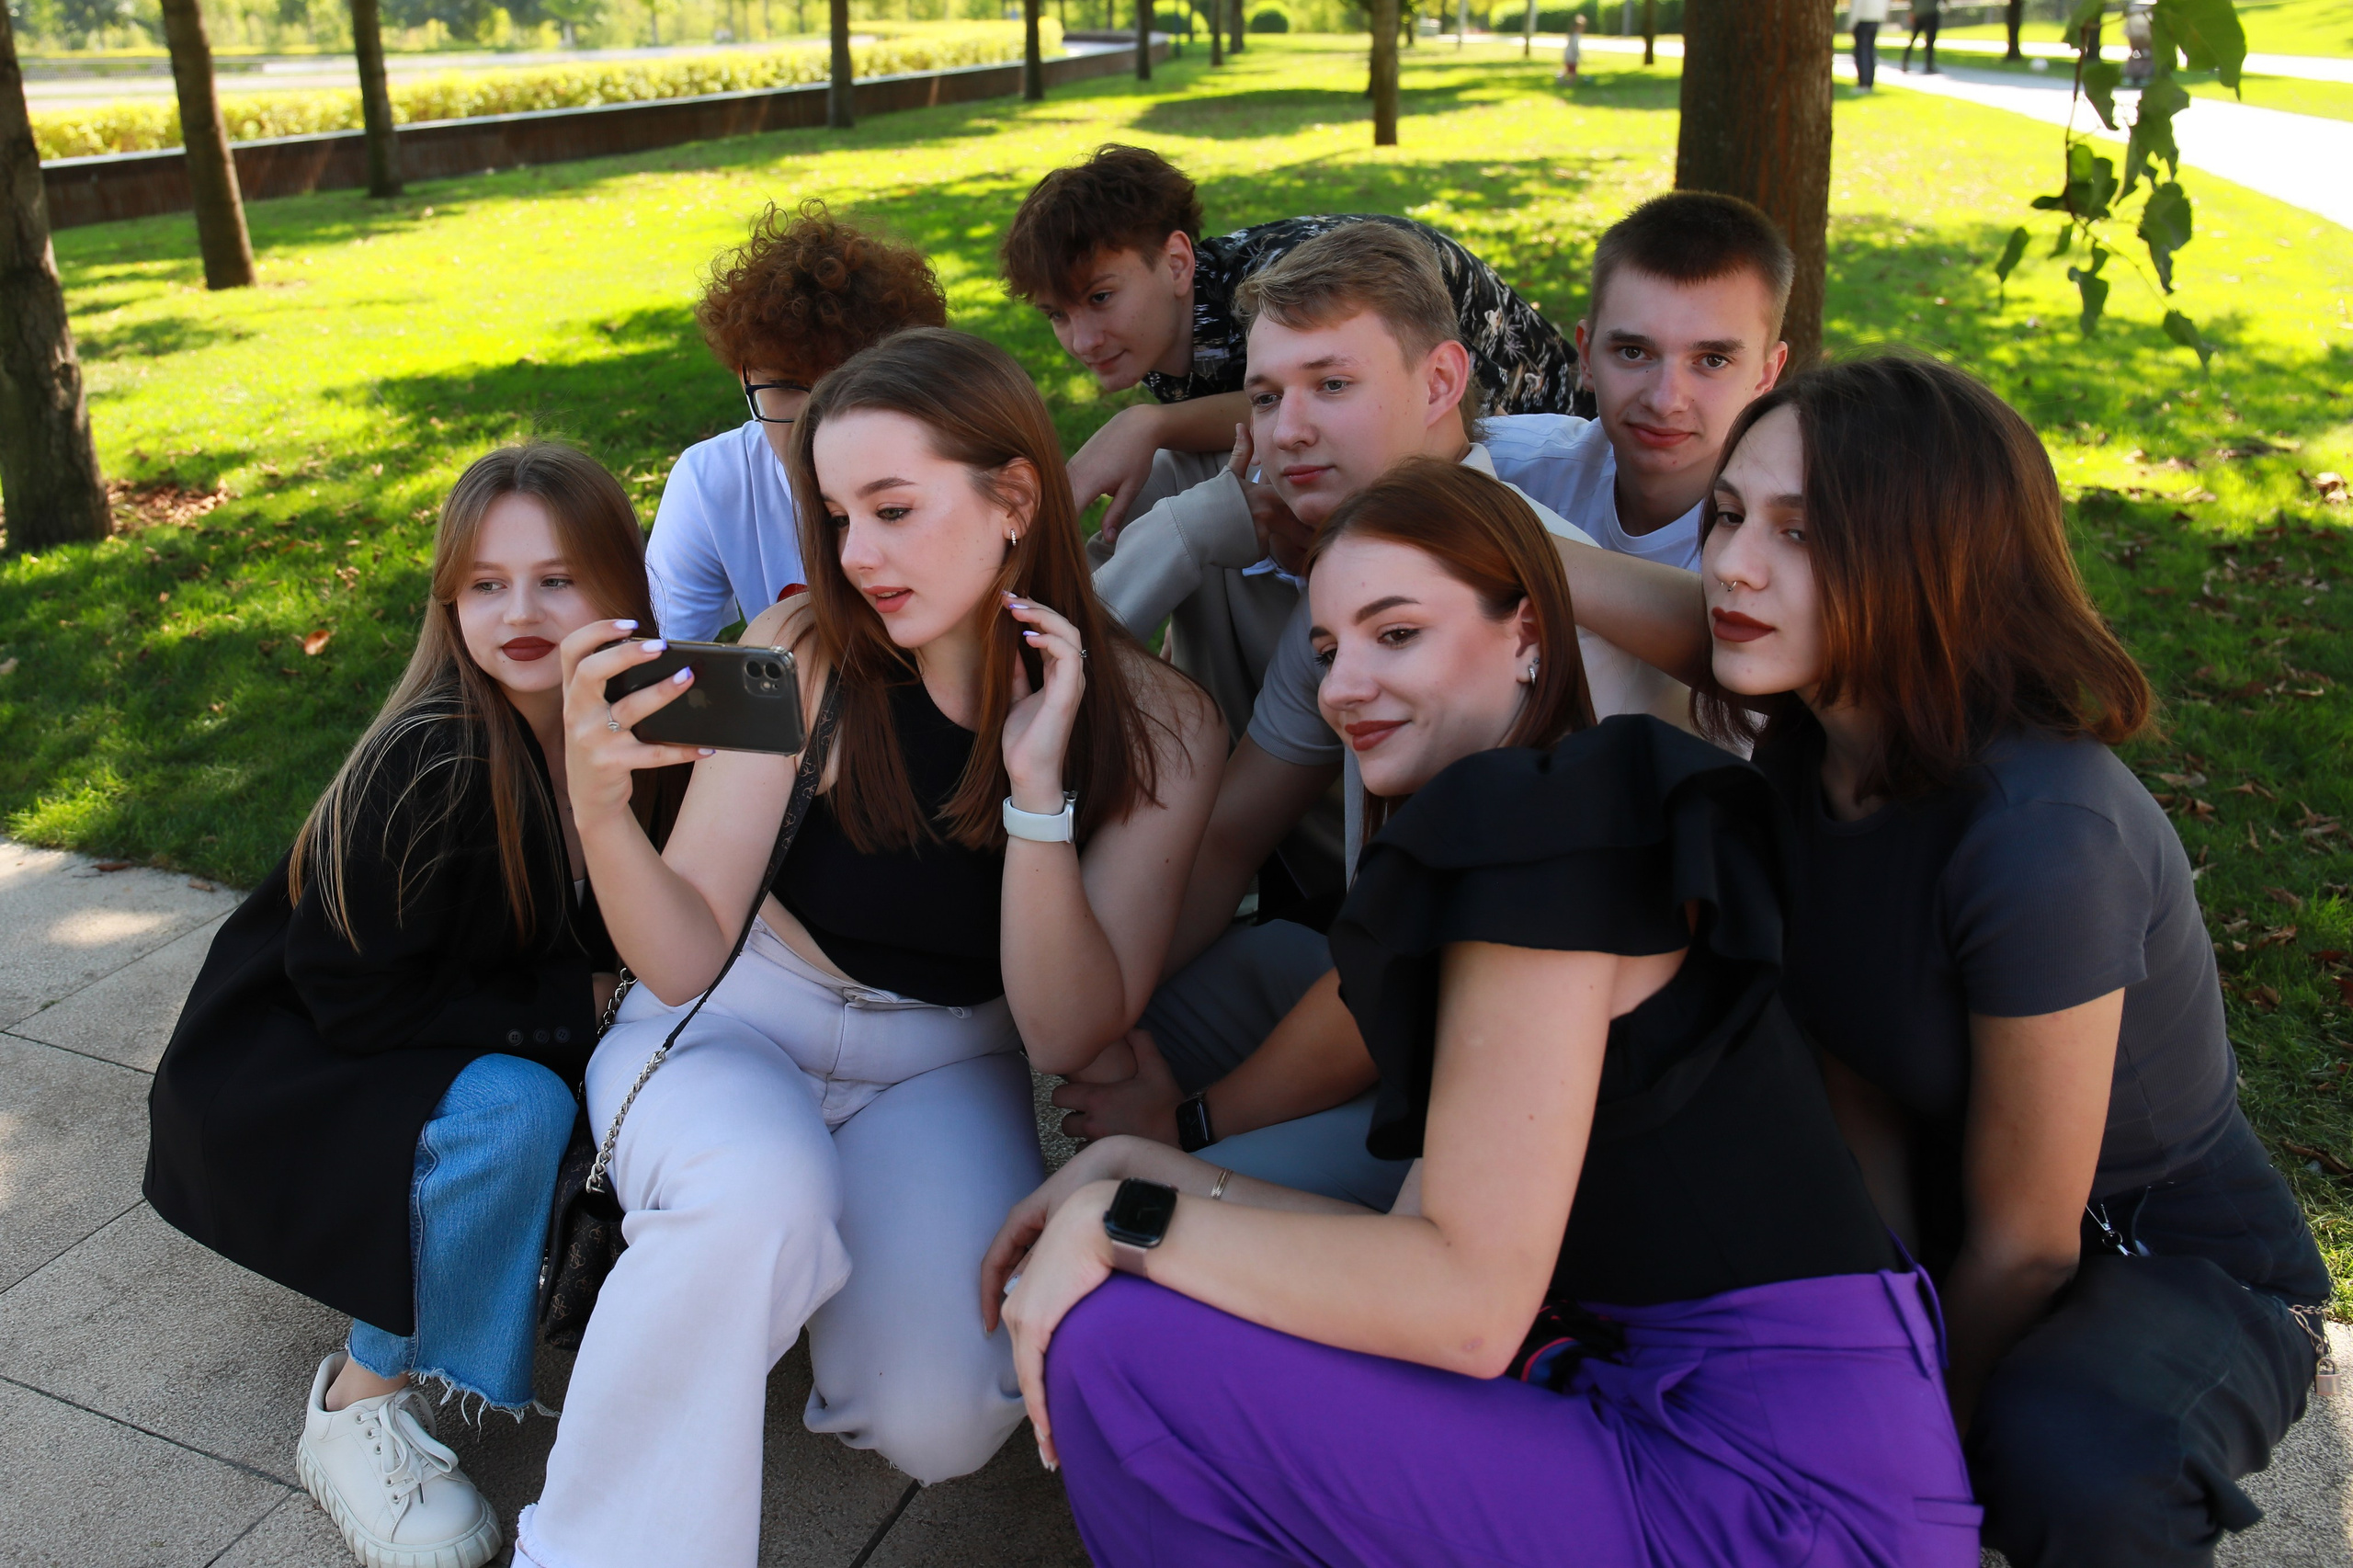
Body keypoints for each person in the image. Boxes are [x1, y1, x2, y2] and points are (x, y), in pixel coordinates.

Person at [981, 456, 1981, 1568]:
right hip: (1711, 1432)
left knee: (1117, 1341)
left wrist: (1128, 1226)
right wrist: (1144, 1173)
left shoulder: (1539, 828)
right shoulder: (1542, 822)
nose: (1343, 686)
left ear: (1525, 636)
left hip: (1770, 1492)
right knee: (1154, 1303)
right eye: (1326, 650)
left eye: (1395, 634)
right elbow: (1424, 1238)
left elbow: (1464, 1305)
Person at [1581, 352, 2332, 1567]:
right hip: (1955, 1206)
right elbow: (1862, 1093)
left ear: (1928, 556)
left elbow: (2030, 1242)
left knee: (2062, 1457)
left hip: (2173, 1261)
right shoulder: (1814, 750)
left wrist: (1924, 1449)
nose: (1733, 565)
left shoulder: (2042, 833)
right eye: (1726, 517)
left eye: (1801, 531)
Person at [516, 328, 1223, 1568]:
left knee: (940, 1415)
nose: (857, 557)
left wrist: (1037, 792)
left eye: (893, 509)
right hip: (738, 1019)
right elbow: (681, 957)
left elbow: (1066, 1032)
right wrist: (598, 808)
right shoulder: (798, 647)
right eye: (838, 514)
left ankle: (768, 1269)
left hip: (947, 1059)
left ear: (1014, 498)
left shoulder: (1160, 721)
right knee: (757, 1196)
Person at [1050, 222, 1685, 1207]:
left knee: (1140, 1208)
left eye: (1330, 385)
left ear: (1439, 384)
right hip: (1406, 1007)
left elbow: (1397, 975)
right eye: (1264, 396)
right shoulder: (1355, 583)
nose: (1285, 430)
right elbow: (1225, 840)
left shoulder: (1486, 610)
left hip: (1558, 1105)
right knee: (1135, 1026)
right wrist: (1090, 1014)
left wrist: (1189, 1120)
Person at [145, 443, 679, 1568]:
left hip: (430, 1012)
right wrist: (572, 1004)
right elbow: (351, 993)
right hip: (310, 1058)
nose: (519, 610)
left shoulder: (641, 727)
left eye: (557, 578)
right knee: (517, 1108)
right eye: (485, 583)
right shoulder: (429, 758)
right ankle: (357, 1400)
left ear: (624, 588)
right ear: (451, 601)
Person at [647, 201, 949, 642]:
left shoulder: (951, 465)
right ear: (742, 375)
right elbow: (663, 659)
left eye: (843, 383)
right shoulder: (714, 480)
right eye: (786, 385)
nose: (814, 418)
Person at [1483, 190, 1791, 574]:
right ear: (1587, 355)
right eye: (1633, 352)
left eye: (1712, 361)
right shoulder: (1506, 471)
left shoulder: (1800, 550)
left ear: (1766, 374)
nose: (1665, 401)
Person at [1849, 0, 1888, 89]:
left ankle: (1864, 81)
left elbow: (1856, 5)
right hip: (1876, 19)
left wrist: (1851, 23)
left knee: (1862, 52)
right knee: (1870, 51)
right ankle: (1869, 80)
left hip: (1863, 20)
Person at [1904, 0, 1938, 73]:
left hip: (1919, 14)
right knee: (1930, 40)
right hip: (1930, 14)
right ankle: (1928, 65)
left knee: (1914, 38)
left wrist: (1912, 12)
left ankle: (1905, 62)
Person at [1556, 9, 1585, 83]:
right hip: (1571, 56)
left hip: (1568, 55)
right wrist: (1578, 54)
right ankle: (1568, 82)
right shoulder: (1575, 36)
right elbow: (1575, 47)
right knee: (1573, 72)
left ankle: (1561, 78)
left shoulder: (1572, 35)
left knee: (1569, 70)